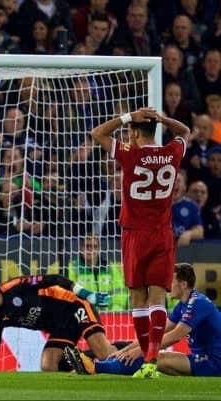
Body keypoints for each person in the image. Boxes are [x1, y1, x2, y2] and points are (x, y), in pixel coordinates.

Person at [90, 107, 191, 378]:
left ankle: (145, 361)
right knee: (158, 298)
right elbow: (185, 131)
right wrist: (164, 119)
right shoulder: (172, 152)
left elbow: (97, 133)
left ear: (134, 133)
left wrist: (127, 117)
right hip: (163, 233)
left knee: (138, 299)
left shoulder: (130, 154)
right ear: (155, 130)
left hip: (135, 233)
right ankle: (150, 361)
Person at [64, 263, 221, 377]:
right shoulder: (182, 305)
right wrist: (128, 349)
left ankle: (93, 367)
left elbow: (175, 336)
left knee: (154, 357)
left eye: (171, 281)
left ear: (184, 284)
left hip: (214, 361)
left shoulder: (198, 303)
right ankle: (94, 366)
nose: (167, 285)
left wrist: (142, 350)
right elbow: (157, 332)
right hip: (201, 357)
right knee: (151, 357)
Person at [0, 274, 114, 372]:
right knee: (48, 364)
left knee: (104, 355)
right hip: (61, 327)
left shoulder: (15, 286)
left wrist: (84, 293)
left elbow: (54, 279)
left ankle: (129, 351)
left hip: (74, 305)